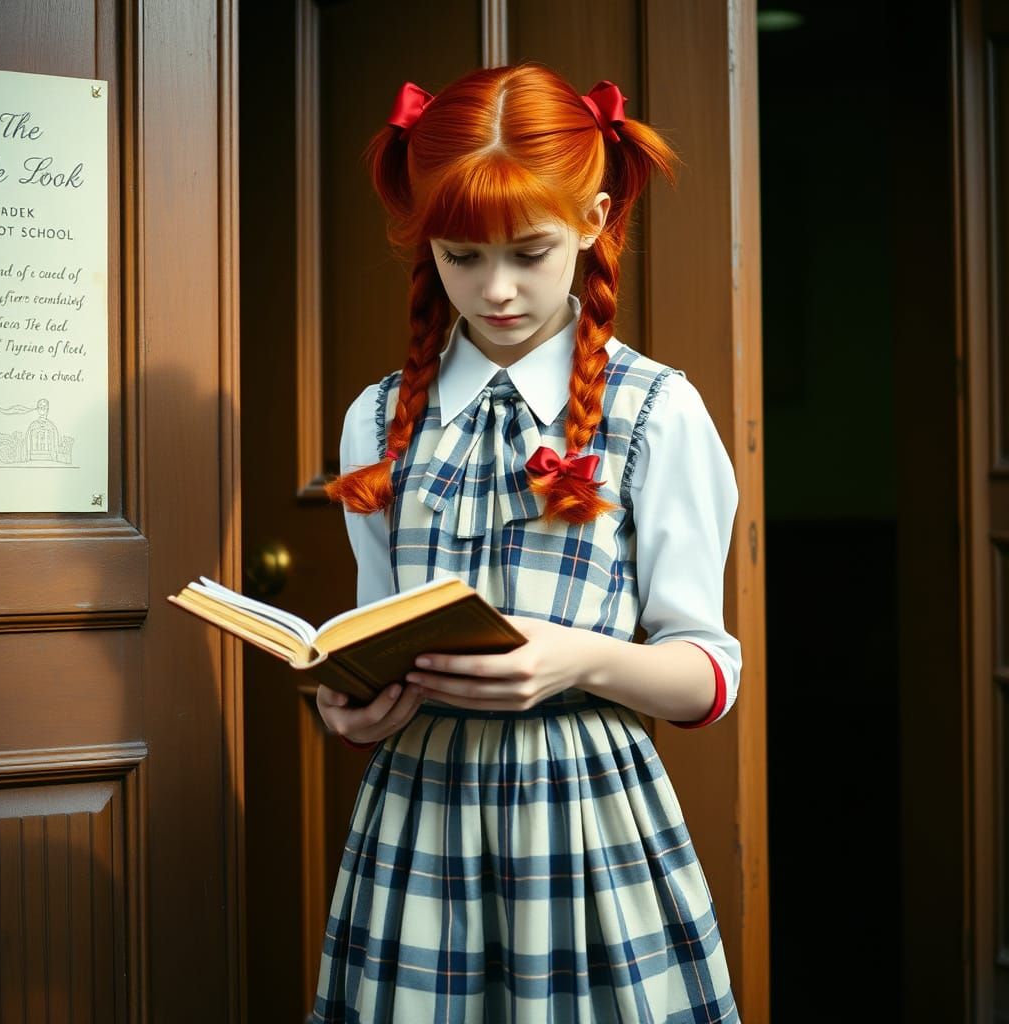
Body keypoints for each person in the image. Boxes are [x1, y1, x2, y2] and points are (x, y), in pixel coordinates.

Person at [312, 62, 742, 1024]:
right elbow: (371, 633)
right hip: (417, 825)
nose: (496, 290)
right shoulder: (377, 420)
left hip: (589, 829)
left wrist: (576, 659)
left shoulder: (655, 412)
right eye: (462, 257)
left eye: (529, 253)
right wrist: (346, 706)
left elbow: (708, 675)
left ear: (592, 221)